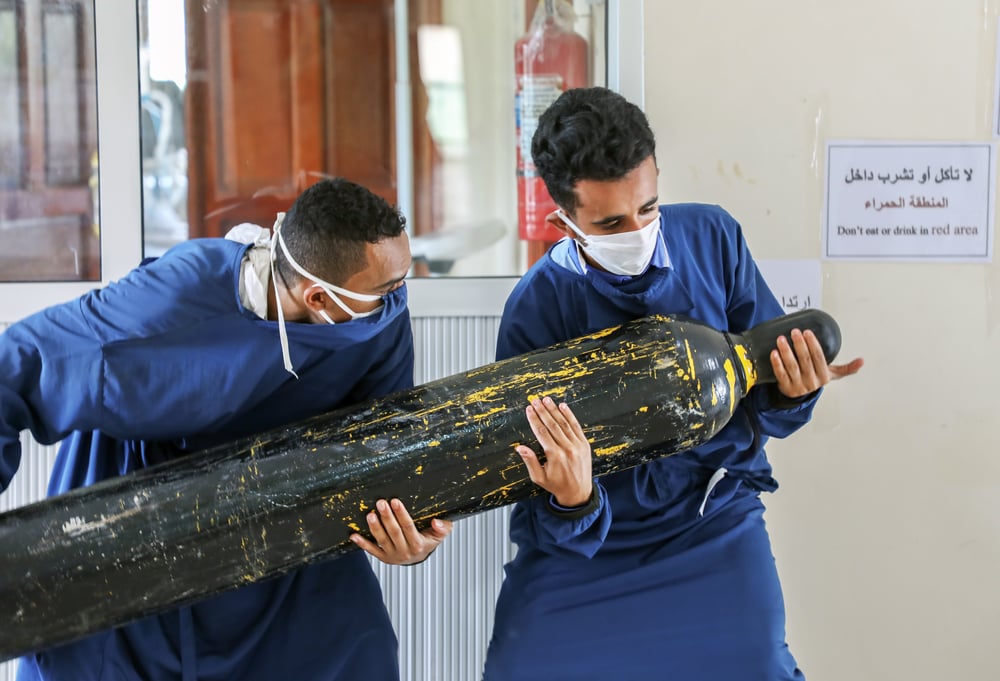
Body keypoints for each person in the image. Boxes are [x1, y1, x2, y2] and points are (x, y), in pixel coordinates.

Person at [0, 177, 453, 681]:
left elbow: (389, 439)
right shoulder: (162, 304)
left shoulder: (378, 317)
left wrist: (411, 537)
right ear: (320, 299)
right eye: (386, 288)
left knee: (359, 650)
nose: (398, 297)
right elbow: (12, 367)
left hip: (288, 532)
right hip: (140, 534)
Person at [482, 87, 864, 680]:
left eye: (649, 207)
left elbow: (769, 406)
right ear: (563, 220)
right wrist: (573, 497)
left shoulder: (715, 239)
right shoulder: (536, 309)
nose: (636, 229)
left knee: (761, 664)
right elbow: (537, 498)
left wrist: (796, 389)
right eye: (610, 223)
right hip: (589, 548)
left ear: (656, 176)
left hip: (712, 520)